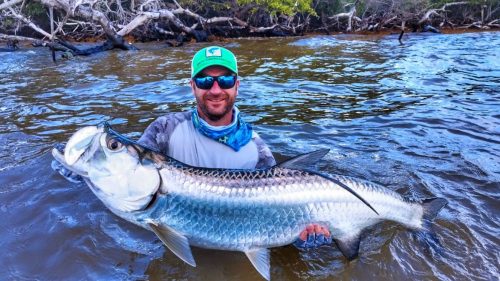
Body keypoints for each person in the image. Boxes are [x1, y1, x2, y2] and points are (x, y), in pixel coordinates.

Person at [138, 46, 330, 248]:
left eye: (225, 80)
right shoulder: (165, 130)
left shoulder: (257, 150)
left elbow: (273, 219)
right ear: (192, 86)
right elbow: (136, 173)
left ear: (236, 86)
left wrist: (296, 239)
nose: (215, 90)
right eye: (204, 81)